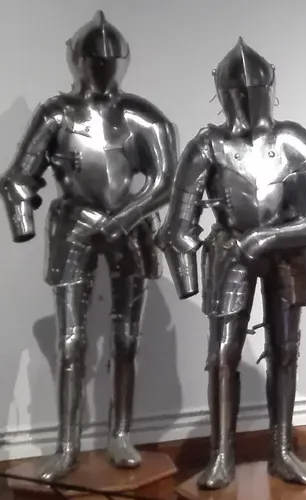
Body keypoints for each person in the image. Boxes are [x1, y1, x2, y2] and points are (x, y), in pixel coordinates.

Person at [0, 11, 176, 481]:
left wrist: (126, 217)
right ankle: (67, 445)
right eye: (92, 58)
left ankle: (120, 435)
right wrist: (23, 222)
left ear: (121, 61)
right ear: (76, 59)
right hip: (73, 225)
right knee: (71, 341)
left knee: (126, 338)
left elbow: (166, 180)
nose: (99, 66)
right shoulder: (56, 114)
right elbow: (18, 177)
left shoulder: (141, 116)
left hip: (129, 227)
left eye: (106, 59)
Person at [156, 38, 306, 489]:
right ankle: (221, 455)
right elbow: (177, 227)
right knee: (222, 355)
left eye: (253, 90)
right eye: (238, 91)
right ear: (222, 92)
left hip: (287, 251)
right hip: (230, 251)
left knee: (285, 352)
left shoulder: (292, 140)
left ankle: (282, 450)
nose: (247, 98)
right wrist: (188, 279)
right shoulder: (207, 146)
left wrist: (270, 236)